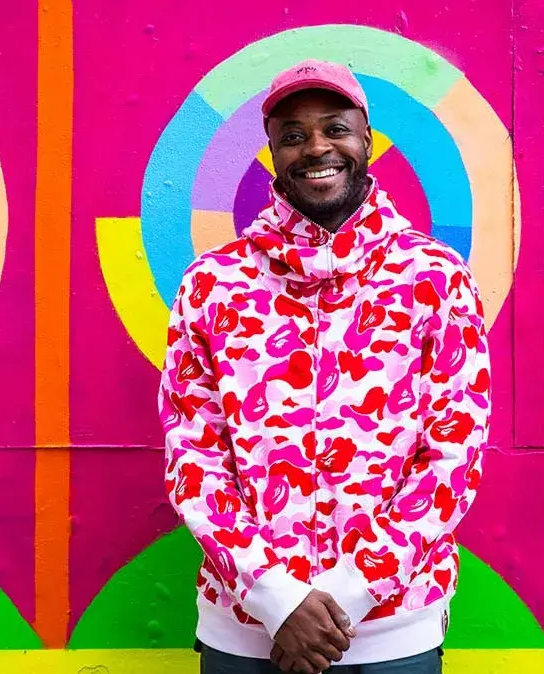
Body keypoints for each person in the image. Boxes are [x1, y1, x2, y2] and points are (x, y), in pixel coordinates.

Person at [159, 59, 491, 674]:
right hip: (244, 629)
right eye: (292, 134)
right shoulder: (213, 284)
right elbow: (194, 457)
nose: (316, 147)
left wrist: (345, 595)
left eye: (334, 128)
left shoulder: (435, 278)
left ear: (366, 139)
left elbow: (453, 452)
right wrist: (277, 600)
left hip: (394, 627)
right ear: (272, 153)